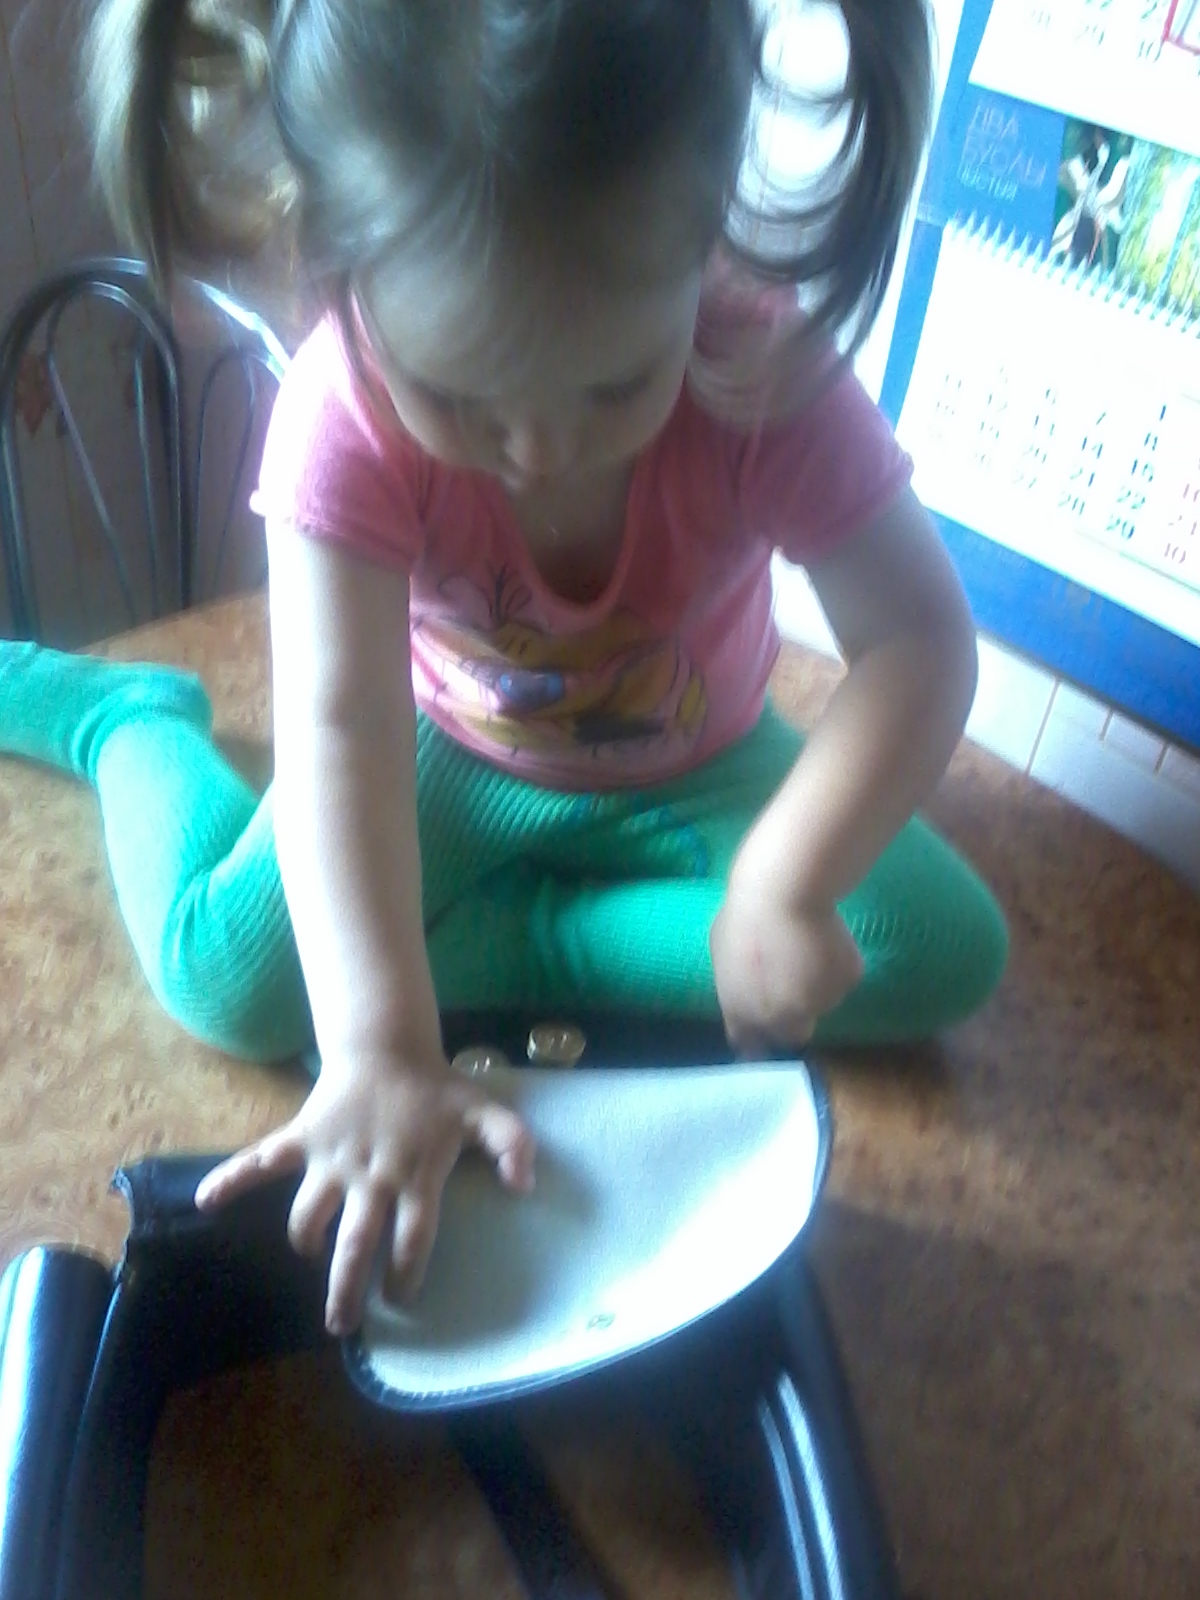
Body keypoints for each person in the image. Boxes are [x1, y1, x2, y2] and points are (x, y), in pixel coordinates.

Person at [0, 0, 1006, 1336]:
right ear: (339, 279)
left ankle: (503, 936)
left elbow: (918, 641)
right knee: (223, 980)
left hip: (698, 764)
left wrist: (784, 879)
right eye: (463, 399)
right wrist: (378, 1049)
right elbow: (342, 731)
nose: (538, 452)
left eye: (615, 384)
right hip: (442, 755)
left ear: (706, 242)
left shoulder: (756, 362)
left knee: (932, 950)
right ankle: (129, 722)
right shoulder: (343, 409)